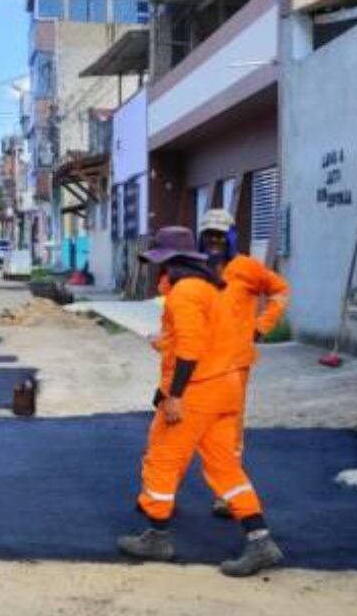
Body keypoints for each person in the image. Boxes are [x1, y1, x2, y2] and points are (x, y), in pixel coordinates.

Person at [118, 226, 283, 577]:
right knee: (225, 466)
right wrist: (165, 343)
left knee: (162, 458)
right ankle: (260, 540)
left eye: (157, 263)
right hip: (226, 387)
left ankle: (157, 538)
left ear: (169, 262)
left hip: (197, 391)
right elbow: (200, 340)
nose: (155, 271)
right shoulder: (210, 287)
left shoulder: (185, 293)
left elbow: (191, 351)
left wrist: (174, 396)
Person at [196, 208, 290, 519]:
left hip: (234, 364)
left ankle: (228, 494)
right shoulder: (195, 268)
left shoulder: (248, 268)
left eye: (220, 235)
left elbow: (280, 291)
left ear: (231, 237)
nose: (214, 240)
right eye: (209, 234)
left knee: (228, 428)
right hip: (197, 363)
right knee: (194, 427)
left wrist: (262, 325)